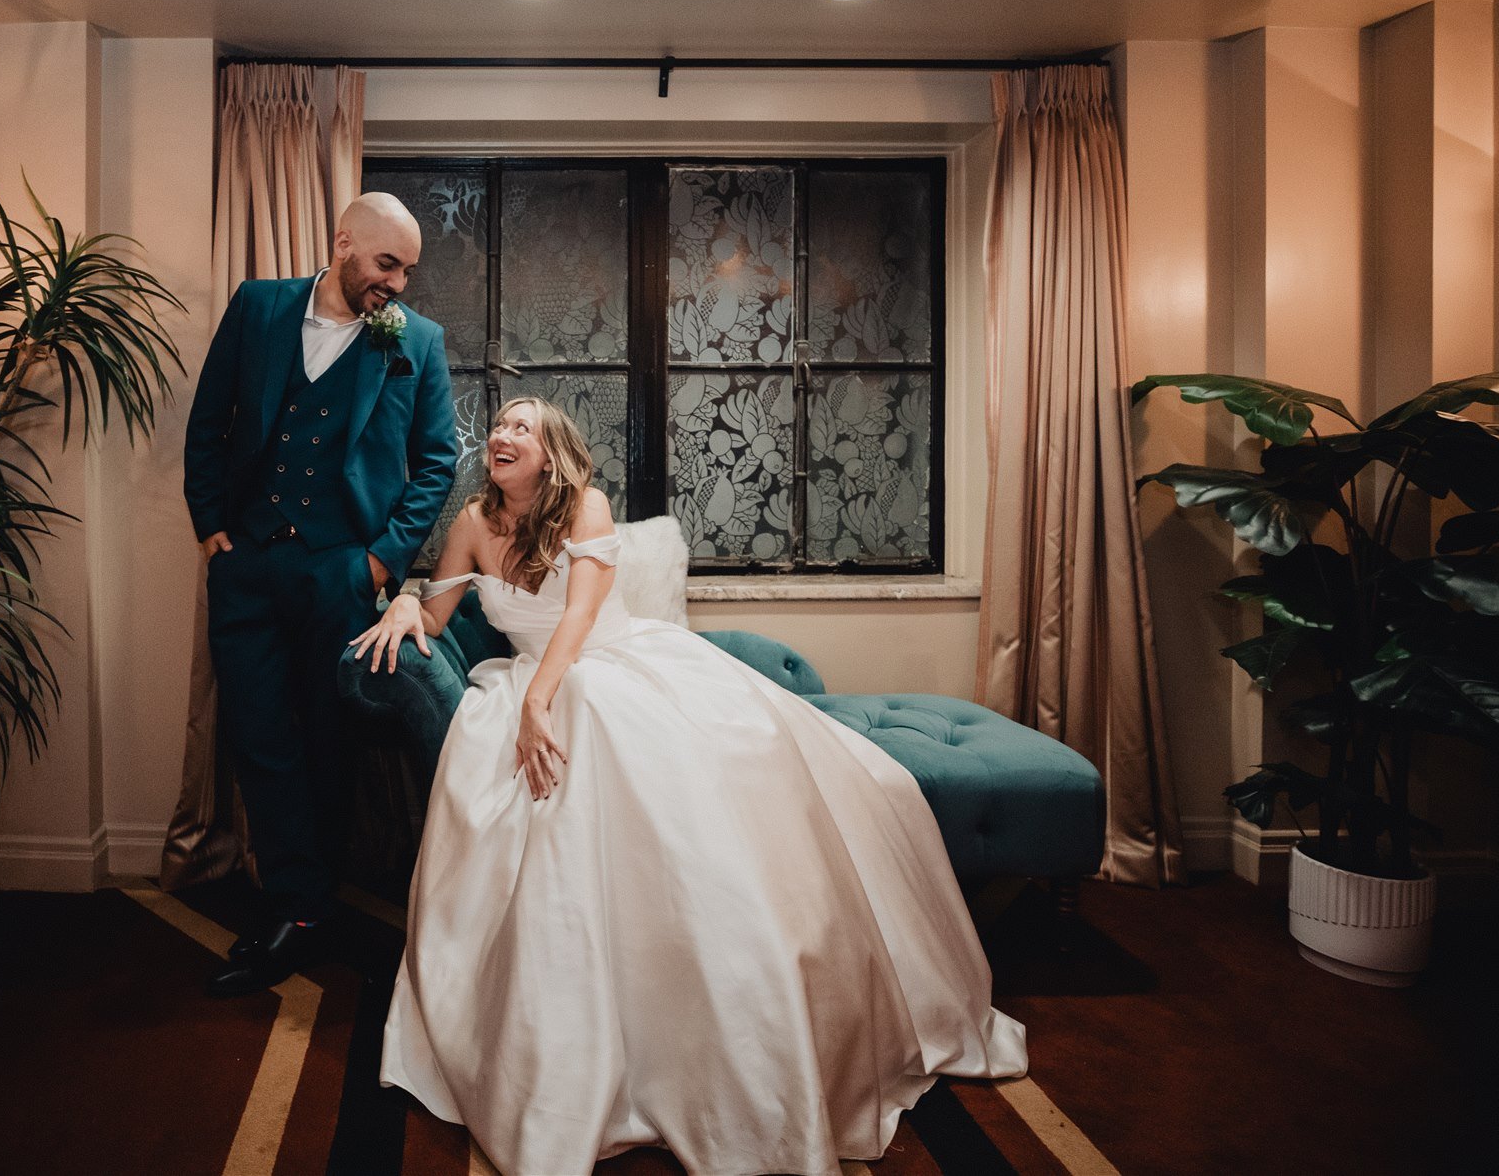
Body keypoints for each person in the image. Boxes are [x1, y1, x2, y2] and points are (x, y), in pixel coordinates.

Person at [352, 396, 1028, 1174]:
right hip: (527, 681)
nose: (503, 434)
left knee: (609, 719)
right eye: (500, 424)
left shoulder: (586, 504)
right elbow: (435, 617)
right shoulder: (473, 520)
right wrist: (406, 601)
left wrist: (541, 696)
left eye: (523, 427)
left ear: (552, 452)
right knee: (526, 767)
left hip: (603, 665)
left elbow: (579, 616)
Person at [183, 191, 458, 997]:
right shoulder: (259, 306)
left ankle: (317, 900)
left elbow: (436, 459)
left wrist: (380, 562)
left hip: (341, 572)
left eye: (407, 270)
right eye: (386, 263)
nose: (398, 284)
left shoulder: (417, 342)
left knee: (329, 738)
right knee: (259, 735)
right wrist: (210, 528)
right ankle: (296, 907)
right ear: (342, 242)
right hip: (250, 565)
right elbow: (210, 422)